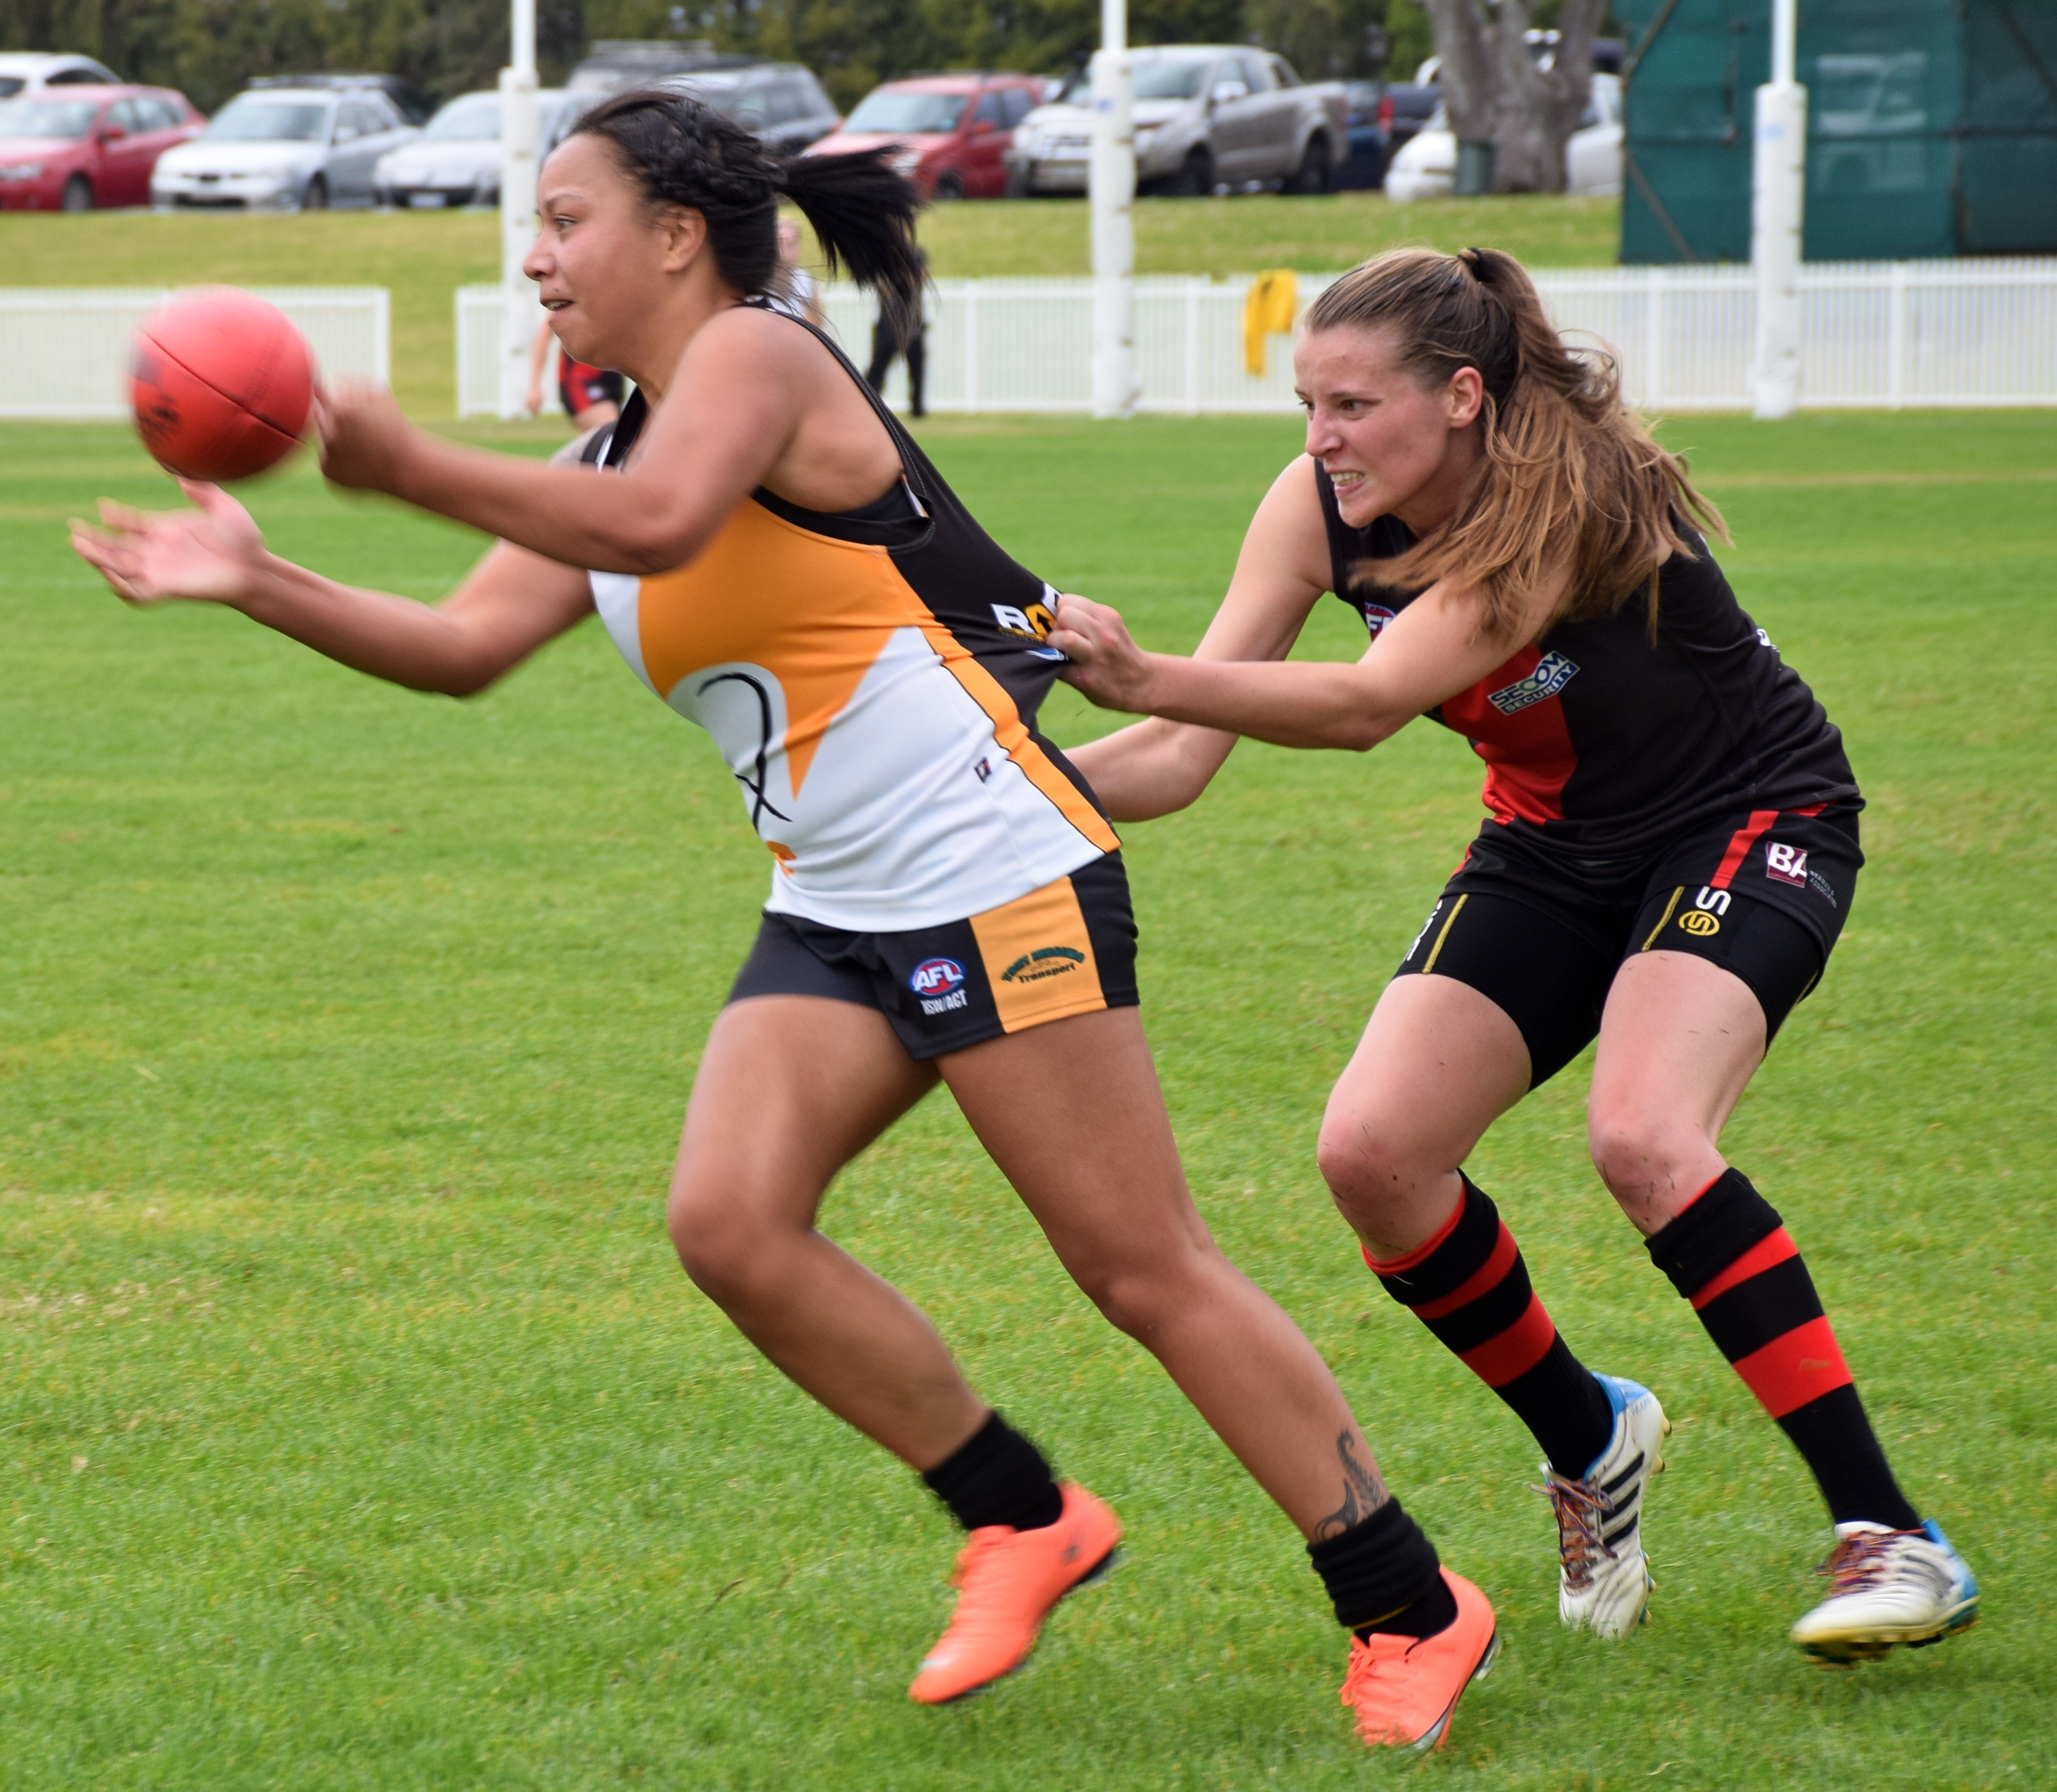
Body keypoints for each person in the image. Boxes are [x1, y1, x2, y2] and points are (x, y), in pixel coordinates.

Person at [70, 102, 1500, 1751]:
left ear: (678, 235)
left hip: (992, 865)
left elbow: (666, 527)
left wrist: (409, 467)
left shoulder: (758, 357)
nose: (535, 259)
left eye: (565, 220)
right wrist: (258, 578)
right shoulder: (602, 461)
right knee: (730, 1222)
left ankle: (1409, 1600)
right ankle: (1022, 1515)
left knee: (1137, 1263)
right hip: (836, 895)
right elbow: (463, 648)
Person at [1049, 246, 1979, 1667]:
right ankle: (1590, 1437)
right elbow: (1178, 757)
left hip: (1745, 818)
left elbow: (1365, 703)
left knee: (1645, 1137)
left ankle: (1891, 1532)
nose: (1322, 439)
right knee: (1373, 1154)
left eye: (1353, 405)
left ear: (1463, 396)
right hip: (1552, 845)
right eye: (1308, 405)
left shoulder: (1563, 502)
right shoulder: (1316, 508)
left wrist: (1139, 667)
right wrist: (984, 785)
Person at [525, 314, 624, 432]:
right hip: (580, 379)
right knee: (610, 431)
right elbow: (547, 329)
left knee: (618, 436)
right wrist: (535, 386)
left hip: (612, 377)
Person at [865, 244, 927, 417]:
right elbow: (882, 285)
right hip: (889, 324)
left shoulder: (916, 254)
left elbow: (921, 277)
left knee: (917, 369)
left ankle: (917, 408)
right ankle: (869, 402)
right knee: (878, 367)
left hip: (912, 323)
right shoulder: (884, 257)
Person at [774, 213, 824, 326]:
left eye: (791, 244)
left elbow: (817, 325)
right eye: (779, 244)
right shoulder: (754, 286)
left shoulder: (805, 282)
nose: (784, 253)